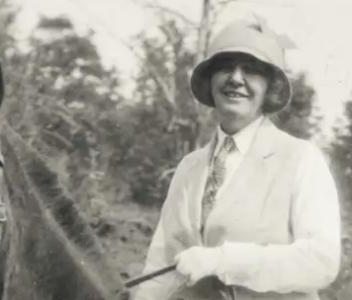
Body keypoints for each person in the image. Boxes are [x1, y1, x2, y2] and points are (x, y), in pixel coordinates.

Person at [133, 18, 341, 300]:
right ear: (210, 79)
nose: (236, 78)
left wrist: (223, 260)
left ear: (270, 87)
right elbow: (162, 264)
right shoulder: (189, 168)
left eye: (252, 70)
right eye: (225, 66)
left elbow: (321, 261)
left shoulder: (302, 159)